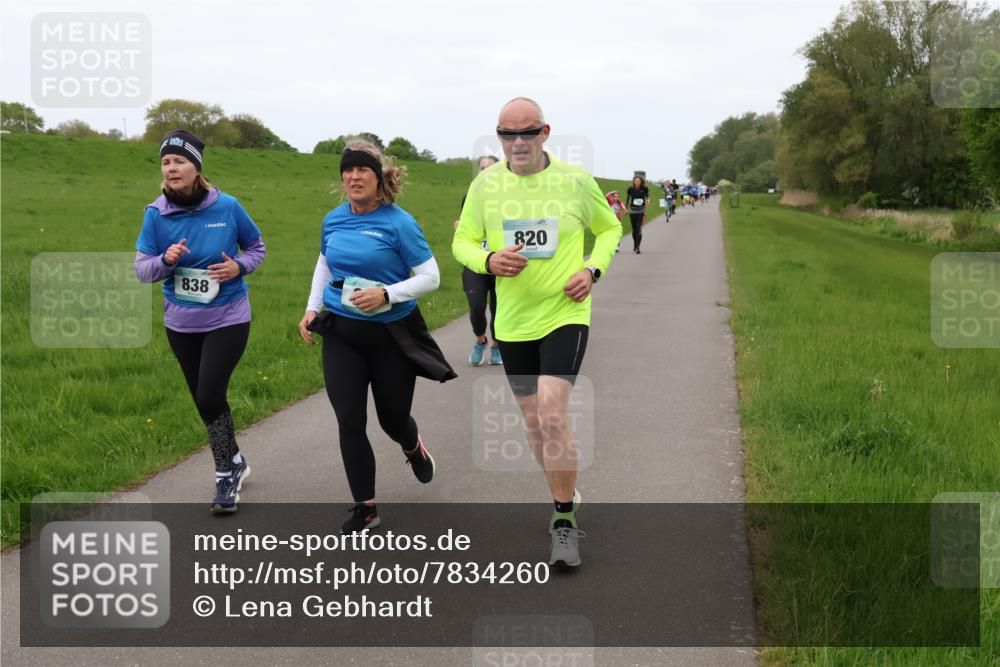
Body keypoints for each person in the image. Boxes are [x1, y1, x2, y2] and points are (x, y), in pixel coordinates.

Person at [453, 97, 621, 568]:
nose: (518, 142)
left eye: (528, 132)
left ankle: (564, 519)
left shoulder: (574, 181)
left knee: (550, 417)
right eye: (508, 134)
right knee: (533, 425)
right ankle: (564, 490)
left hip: (565, 313)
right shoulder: (485, 186)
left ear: (546, 132)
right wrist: (486, 260)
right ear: (499, 137)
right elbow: (461, 241)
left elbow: (609, 230)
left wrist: (591, 271)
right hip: (512, 321)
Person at [299, 139, 456, 535]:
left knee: (392, 418)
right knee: (349, 420)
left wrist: (387, 293)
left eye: (362, 170)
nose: (353, 177)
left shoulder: (399, 222)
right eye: (347, 171)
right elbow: (324, 264)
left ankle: (412, 445)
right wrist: (312, 308)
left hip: (391, 336)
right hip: (343, 334)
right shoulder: (333, 220)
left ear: (378, 177)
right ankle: (365, 508)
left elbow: (430, 277)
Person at [134, 129, 266, 513]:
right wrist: (166, 261)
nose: (171, 168)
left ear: (196, 168)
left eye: (179, 161)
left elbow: (257, 248)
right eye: (166, 162)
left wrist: (238, 266)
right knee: (205, 402)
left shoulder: (228, 207)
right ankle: (236, 460)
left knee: (210, 394)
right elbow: (142, 270)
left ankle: (225, 477)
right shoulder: (156, 214)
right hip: (181, 324)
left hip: (228, 316)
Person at [455, 155, 502, 366]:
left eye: (490, 169)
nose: (485, 172)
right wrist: (460, 227)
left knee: (499, 309)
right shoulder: (470, 196)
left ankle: (496, 345)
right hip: (476, 260)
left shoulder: (509, 198)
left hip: (501, 262)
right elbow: (465, 226)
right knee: (476, 306)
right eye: (482, 168)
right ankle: (480, 340)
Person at [626, 175, 649, 253]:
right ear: (633, 182)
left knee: (639, 229)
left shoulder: (644, 189)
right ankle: (635, 245)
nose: (637, 182)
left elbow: (647, 196)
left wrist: (648, 199)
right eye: (635, 181)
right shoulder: (630, 189)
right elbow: (628, 198)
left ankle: (637, 247)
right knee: (634, 230)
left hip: (641, 211)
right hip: (632, 211)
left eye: (638, 181)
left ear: (641, 182)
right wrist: (626, 208)